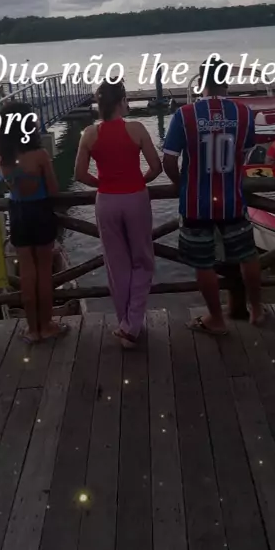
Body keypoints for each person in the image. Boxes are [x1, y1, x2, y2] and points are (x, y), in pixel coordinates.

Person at [162, 57, 264, 335]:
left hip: (197, 203)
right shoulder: (244, 113)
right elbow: (245, 154)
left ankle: (216, 319)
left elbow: (169, 160)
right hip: (232, 200)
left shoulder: (185, 115)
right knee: (248, 255)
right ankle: (256, 310)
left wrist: (181, 184)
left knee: (203, 263)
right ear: (226, 81)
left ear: (201, 81)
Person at [74, 79, 162, 348]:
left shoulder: (89, 134)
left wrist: (102, 183)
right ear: (122, 101)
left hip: (107, 201)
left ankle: (126, 323)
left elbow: (80, 174)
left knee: (116, 264)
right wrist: (138, 180)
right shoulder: (136, 129)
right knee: (143, 261)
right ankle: (131, 325)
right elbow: (156, 167)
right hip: (135, 198)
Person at [0, 100, 68, 345]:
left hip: (18, 213)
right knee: (44, 272)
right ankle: (47, 326)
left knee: (26, 273)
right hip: (40, 211)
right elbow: (54, 190)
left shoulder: (1, 158)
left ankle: (31, 329)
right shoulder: (39, 155)